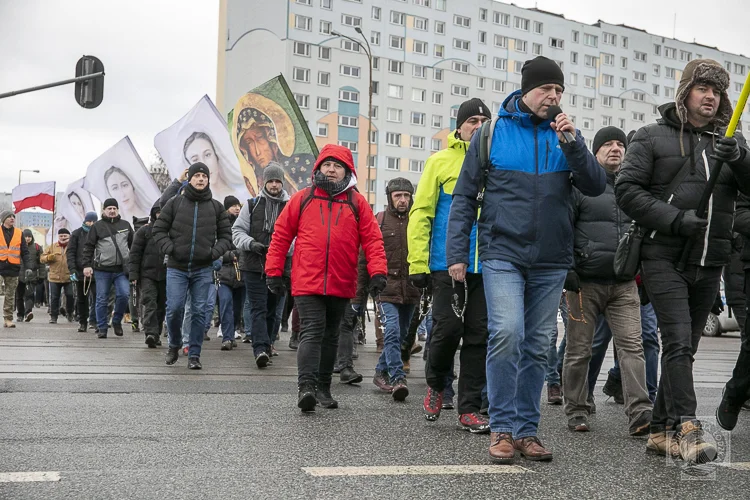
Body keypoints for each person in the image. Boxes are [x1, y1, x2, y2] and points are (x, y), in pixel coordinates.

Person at [447, 56, 606, 464]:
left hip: (552, 258)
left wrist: (574, 144)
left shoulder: (566, 136)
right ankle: (500, 427)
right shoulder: (492, 133)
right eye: (545, 90)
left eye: (558, 91)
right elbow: (464, 197)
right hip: (502, 252)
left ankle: (526, 431)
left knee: (538, 344)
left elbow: (594, 184)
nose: (552, 97)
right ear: (525, 90)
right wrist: (457, 254)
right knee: (506, 332)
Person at [617, 59, 750, 462]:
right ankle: (689, 428)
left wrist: (740, 160)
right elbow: (627, 189)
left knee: (686, 347)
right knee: (676, 341)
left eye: (717, 91)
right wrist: (674, 219)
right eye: (702, 89)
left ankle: (659, 431)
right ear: (685, 93)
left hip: (710, 260)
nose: (710, 97)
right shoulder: (652, 136)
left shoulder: (732, 141)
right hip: (663, 255)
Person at [265, 144, 387, 411]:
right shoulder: (303, 198)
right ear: (318, 168)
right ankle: (306, 387)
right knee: (312, 330)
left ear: (347, 171)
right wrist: (273, 271)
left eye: (338, 166)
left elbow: (373, 239)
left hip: (341, 281)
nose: (331, 170)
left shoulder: (357, 202)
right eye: (327, 165)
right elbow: (281, 235)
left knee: (332, 335)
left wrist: (378, 271)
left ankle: (323, 387)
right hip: (307, 279)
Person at [561, 126, 653, 435]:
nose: (615, 148)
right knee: (579, 350)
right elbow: (563, 227)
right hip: (584, 284)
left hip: (624, 283)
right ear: (595, 151)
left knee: (632, 348)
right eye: (608, 144)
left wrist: (644, 276)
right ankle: (576, 409)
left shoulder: (634, 189)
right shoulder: (579, 185)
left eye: (620, 144)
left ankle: (640, 411)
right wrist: (568, 268)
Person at [408, 98, 492, 432]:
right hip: (446, 263)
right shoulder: (440, 162)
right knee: (447, 329)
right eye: (472, 120)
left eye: (485, 120)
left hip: (488, 265)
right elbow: (422, 212)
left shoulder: (496, 163)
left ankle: (468, 409)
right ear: (459, 127)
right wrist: (418, 262)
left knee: (479, 335)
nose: (479, 125)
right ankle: (437, 381)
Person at [153, 162, 233, 370]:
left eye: (203, 176)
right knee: (174, 309)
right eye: (196, 175)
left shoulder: (216, 207)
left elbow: (226, 236)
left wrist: (214, 253)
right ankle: (174, 344)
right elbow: (159, 229)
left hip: (202, 268)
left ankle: (194, 354)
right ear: (189, 179)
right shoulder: (175, 203)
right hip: (177, 267)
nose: (200, 179)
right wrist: (170, 248)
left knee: (199, 311)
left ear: (208, 180)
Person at [362, 178, 420, 401]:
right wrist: (362, 292)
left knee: (403, 335)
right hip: (386, 288)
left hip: (412, 289)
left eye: (406, 195)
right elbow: (366, 254)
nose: (403, 200)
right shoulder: (380, 220)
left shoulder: (418, 220)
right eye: (398, 196)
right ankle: (397, 378)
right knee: (393, 333)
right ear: (390, 198)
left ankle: (379, 372)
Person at [232, 163, 290, 367]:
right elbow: (237, 231)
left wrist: (283, 249)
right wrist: (251, 244)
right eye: (271, 181)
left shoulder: (290, 206)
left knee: (273, 309)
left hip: (281, 267)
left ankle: (269, 342)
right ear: (263, 182)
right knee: (258, 307)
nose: (274, 185)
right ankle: (260, 348)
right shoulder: (251, 204)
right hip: (254, 265)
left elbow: (299, 236)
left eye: (277, 181)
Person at [82, 198, 134, 338]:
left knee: (124, 295)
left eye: (114, 208)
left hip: (121, 270)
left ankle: (116, 320)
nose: (112, 211)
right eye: (109, 208)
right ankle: (102, 327)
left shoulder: (126, 225)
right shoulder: (97, 226)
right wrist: (87, 265)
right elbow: (88, 247)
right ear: (104, 210)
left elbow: (133, 247)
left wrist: (134, 267)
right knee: (101, 299)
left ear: (117, 210)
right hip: (102, 269)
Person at [235, 106, 315, 195]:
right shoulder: (255, 184)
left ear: (271, 139)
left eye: (260, 138)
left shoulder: (301, 164)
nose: (257, 152)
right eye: (249, 143)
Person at [129, 203, 167, 348]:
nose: (160, 215)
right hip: (147, 274)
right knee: (149, 302)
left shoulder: (170, 231)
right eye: (158, 213)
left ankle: (156, 332)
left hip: (166, 274)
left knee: (161, 305)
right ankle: (150, 333)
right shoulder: (144, 232)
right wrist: (133, 275)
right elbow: (135, 254)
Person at [183, 132, 243, 204]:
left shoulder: (243, 192)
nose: (204, 165)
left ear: (216, 155)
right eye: (195, 160)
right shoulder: (196, 205)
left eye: (207, 155)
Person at [217, 195, 244, 351]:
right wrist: (228, 255)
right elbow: (216, 246)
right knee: (226, 303)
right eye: (233, 205)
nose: (237, 208)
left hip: (241, 272)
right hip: (224, 271)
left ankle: (232, 332)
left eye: (238, 205)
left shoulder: (244, 224)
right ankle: (227, 337)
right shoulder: (221, 224)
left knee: (237, 306)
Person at [68, 212, 99, 332]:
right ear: (85, 221)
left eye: (93, 221)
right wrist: (72, 270)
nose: (91, 224)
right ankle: (82, 322)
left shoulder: (99, 232)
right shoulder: (76, 234)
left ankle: (95, 321)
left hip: (97, 271)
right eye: (89, 221)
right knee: (82, 298)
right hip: (81, 271)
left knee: (98, 297)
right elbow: (70, 252)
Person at [0, 211, 31, 328]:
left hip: (13, 268)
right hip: (0, 266)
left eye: (13, 216)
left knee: (10, 295)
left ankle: (8, 319)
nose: (12, 218)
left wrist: (28, 266)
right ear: (3, 219)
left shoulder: (19, 233)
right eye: (9, 217)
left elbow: (25, 251)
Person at [41, 229, 75, 324]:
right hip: (54, 276)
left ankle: (70, 313)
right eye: (61, 236)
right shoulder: (52, 246)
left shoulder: (73, 246)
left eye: (65, 236)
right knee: (54, 297)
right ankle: (53, 316)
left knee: (70, 295)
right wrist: (48, 258)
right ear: (58, 236)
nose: (63, 238)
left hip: (69, 276)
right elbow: (42, 258)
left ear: (69, 236)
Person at [16, 229, 42, 323]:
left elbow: (41, 263)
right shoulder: (18, 246)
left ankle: (28, 312)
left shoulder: (37, 247)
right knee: (19, 296)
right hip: (19, 275)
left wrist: (42, 275)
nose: (27, 238)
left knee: (29, 295)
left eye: (29, 237)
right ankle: (20, 314)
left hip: (32, 275)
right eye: (26, 237)